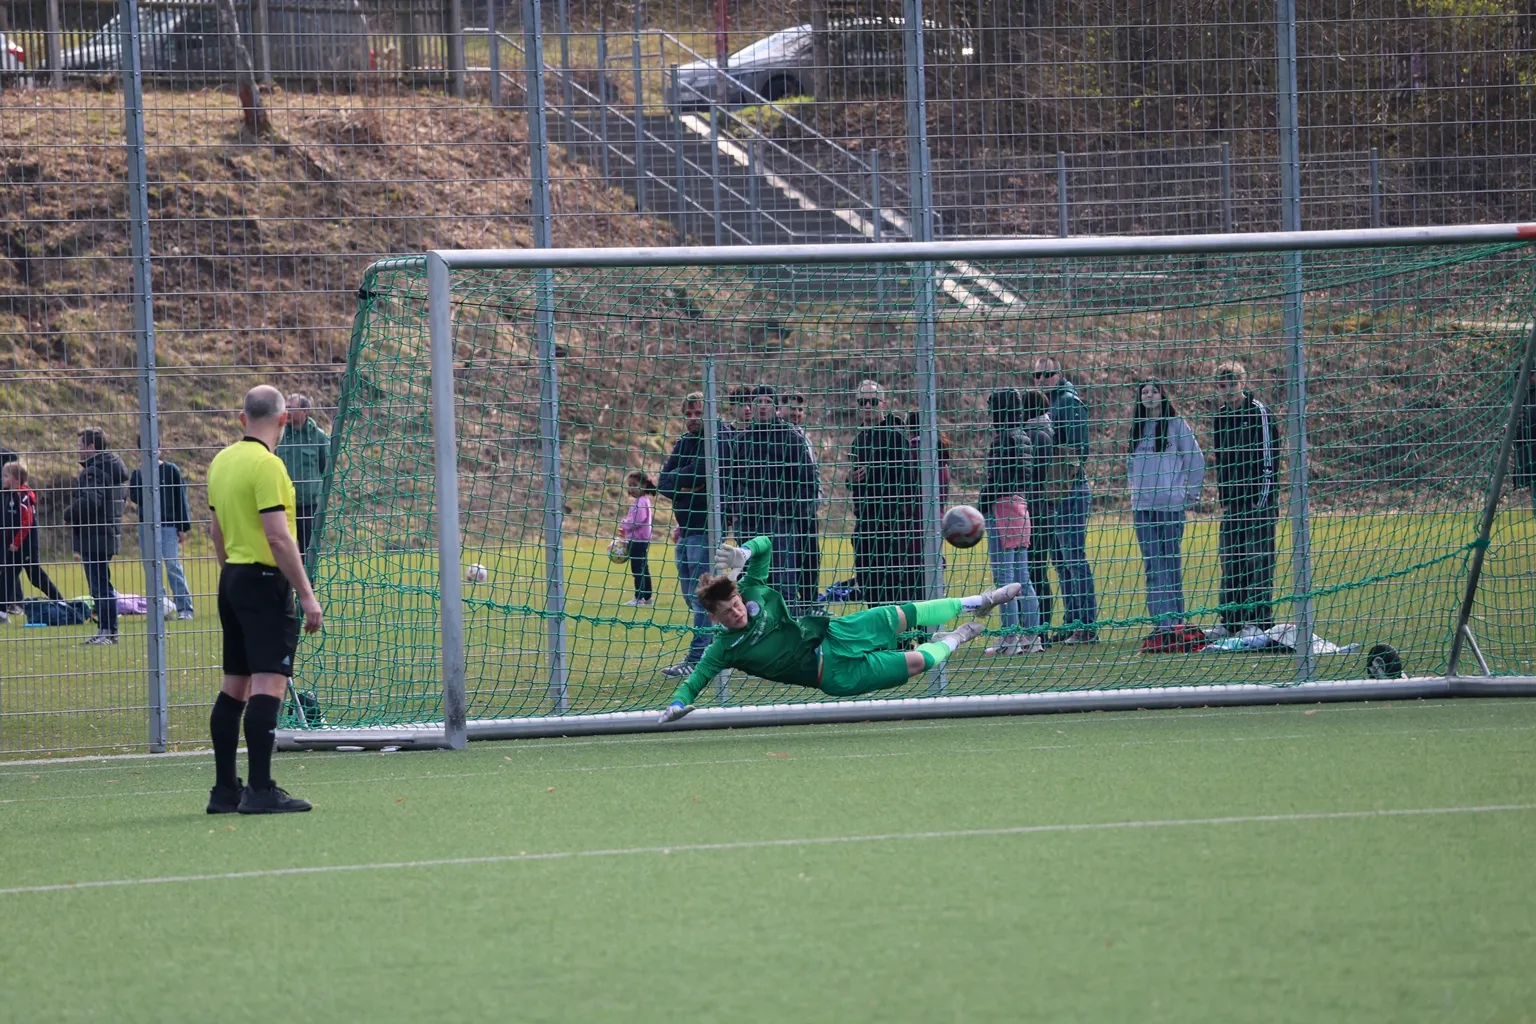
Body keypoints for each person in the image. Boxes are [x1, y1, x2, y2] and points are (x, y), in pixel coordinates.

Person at [656, 534, 1022, 723]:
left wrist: (745, 553)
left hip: (835, 632)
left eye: (735, 603)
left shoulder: (752, 589)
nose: (737, 612)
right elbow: (695, 680)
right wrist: (677, 705)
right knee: (917, 663)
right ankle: (954, 638)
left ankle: (980, 600)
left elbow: (766, 546)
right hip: (832, 674)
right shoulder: (723, 649)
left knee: (901, 614)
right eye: (727, 612)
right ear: (715, 619)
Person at [205, 385, 323, 815]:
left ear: (242, 419)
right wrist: (307, 595)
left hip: (232, 577)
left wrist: (232, 576)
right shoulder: (269, 465)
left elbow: (216, 531)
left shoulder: (221, 461)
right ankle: (260, 789)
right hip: (263, 580)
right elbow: (278, 536)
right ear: (284, 419)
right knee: (269, 682)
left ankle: (224, 790)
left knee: (234, 684)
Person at [1127, 379, 1205, 642]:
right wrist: (1136, 492)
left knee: (1170, 564)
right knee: (1153, 566)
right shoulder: (1137, 428)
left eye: (1154, 391)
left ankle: (1176, 622)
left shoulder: (1176, 425)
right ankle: (1162, 624)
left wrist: (1190, 495)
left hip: (1171, 508)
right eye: (1144, 392)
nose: (1149, 395)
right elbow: (1130, 466)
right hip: (1143, 509)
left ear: (1163, 395)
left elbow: (1196, 460)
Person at [1210, 361, 1280, 637]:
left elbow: (1269, 458)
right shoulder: (1221, 417)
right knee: (1231, 561)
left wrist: (1261, 498)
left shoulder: (1259, 412)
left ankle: (1258, 622)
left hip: (1258, 504)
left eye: (1231, 384)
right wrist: (1225, 498)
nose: (1226, 390)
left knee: (1258, 562)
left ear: (1242, 383)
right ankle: (1230, 622)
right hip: (1234, 504)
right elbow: (1221, 460)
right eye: (1221, 386)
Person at [1032, 357, 1098, 642]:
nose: (1042, 379)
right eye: (1037, 375)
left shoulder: (1069, 402)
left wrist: (1059, 479)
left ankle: (1086, 626)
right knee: (1060, 561)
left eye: (1047, 373)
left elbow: (1079, 450)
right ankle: (1073, 621)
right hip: (1053, 493)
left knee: (1073, 558)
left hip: (1069, 490)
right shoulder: (1049, 403)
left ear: (1059, 374)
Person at [734, 385, 818, 609]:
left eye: (768, 402)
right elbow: (731, 481)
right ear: (750, 406)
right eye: (758, 402)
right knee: (750, 584)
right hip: (749, 523)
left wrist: (790, 513)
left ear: (776, 407)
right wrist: (736, 512)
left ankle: (787, 628)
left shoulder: (791, 440)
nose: (762, 406)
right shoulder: (741, 441)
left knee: (783, 586)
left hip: (780, 525)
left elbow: (808, 481)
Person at [978, 389, 1044, 655]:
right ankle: (1033, 637)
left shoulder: (1004, 439)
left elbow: (996, 480)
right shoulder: (1024, 435)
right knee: (1022, 579)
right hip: (1021, 509)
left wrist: (981, 505)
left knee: (1005, 580)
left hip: (1003, 511)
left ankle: (1009, 639)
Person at [658, 393, 716, 676]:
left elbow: (702, 471)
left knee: (703, 597)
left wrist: (683, 482)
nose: (693, 419)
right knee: (691, 595)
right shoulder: (684, 442)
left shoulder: (716, 439)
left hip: (706, 529)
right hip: (684, 529)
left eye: (698, 413)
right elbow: (663, 482)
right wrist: (688, 484)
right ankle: (715, 646)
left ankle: (698, 657)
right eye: (689, 414)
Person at [849, 380, 922, 608]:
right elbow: (856, 481)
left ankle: (898, 632)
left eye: (872, 401)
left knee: (894, 591)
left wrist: (874, 473)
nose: (867, 406)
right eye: (862, 402)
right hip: (865, 525)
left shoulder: (895, 436)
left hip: (891, 527)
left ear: (883, 404)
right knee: (869, 588)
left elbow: (909, 481)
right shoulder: (859, 440)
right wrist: (851, 480)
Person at [64, 427, 128, 645]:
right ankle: (107, 630)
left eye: (80, 445)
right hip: (106, 533)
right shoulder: (113, 469)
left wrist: (69, 514)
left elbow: (91, 501)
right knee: (101, 584)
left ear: (91, 447)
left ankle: (107, 631)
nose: (78, 450)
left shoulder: (94, 472)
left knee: (99, 586)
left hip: (95, 535)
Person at [128, 439, 196, 620]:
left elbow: (181, 499)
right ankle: (161, 607)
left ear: (160, 449)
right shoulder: (138, 473)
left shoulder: (171, 470)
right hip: (146, 526)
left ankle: (185, 608)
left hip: (168, 526)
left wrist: (182, 527)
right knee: (151, 567)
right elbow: (135, 496)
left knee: (173, 565)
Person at [778, 389, 823, 610]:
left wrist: (817, 498)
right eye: (792, 408)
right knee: (792, 561)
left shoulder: (803, 435)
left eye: (800, 409)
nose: (796, 413)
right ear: (780, 409)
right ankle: (796, 606)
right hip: (791, 512)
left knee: (811, 558)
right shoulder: (781, 436)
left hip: (808, 510)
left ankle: (810, 603)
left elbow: (813, 472)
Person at [2, 460, 66, 611]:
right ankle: (2, 611)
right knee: (7, 576)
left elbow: (26, 523)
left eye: (5, 476)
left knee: (35, 577)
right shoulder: (10, 495)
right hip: (16, 546)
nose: (2, 479)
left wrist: (16, 542)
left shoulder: (23, 497)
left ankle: (60, 602)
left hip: (26, 545)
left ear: (16, 479)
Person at [1019, 390, 1057, 640]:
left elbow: (1035, 478)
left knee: (1034, 572)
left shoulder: (1035, 436)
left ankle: (1038, 630)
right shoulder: (1043, 432)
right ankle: (1037, 629)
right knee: (1035, 571)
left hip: (1036, 513)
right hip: (1042, 511)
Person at [275, 393, 329, 557]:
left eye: (291, 408)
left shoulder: (318, 437)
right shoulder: (278, 435)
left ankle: (307, 576)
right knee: (282, 550)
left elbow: (326, 468)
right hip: (283, 505)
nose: (287, 412)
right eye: (285, 408)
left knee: (309, 551)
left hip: (308, 505)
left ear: (305, 411)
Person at [618, 470, 656, 608]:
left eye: (634, 485)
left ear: (644, 485)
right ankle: (647, 597)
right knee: (644, 568)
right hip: (641, 540)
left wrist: (624, 523)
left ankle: (639, 598)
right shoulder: (641, 501)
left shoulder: (641, 502)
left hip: (638, 541)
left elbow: (636, 521)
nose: (631, 489)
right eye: (630, 485)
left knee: (638, 570)